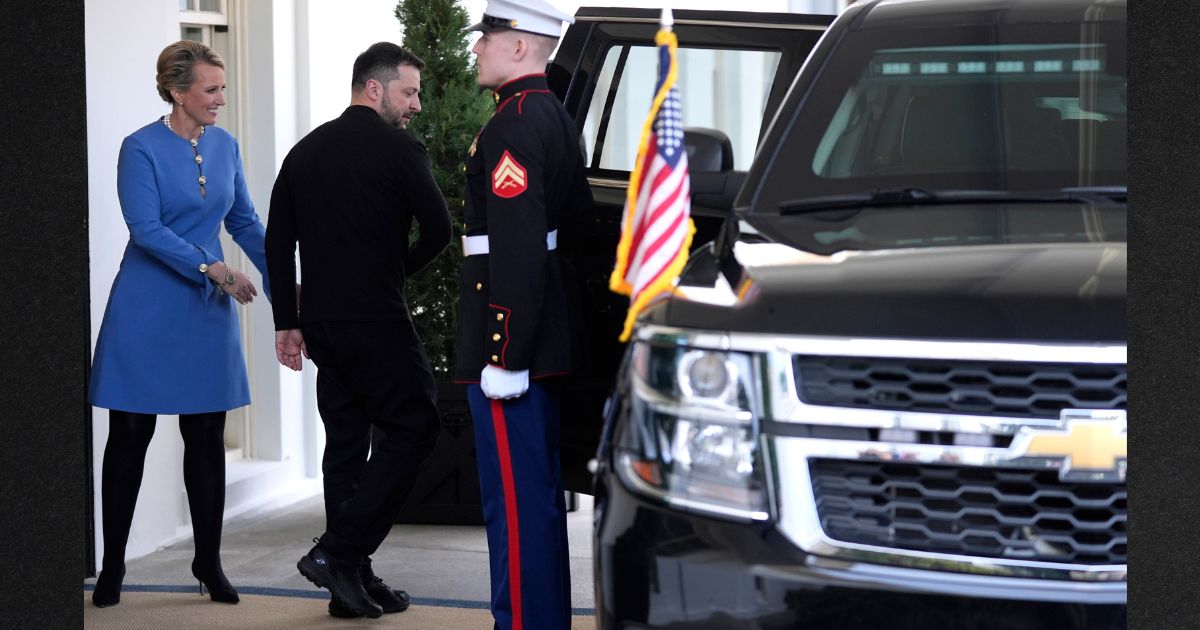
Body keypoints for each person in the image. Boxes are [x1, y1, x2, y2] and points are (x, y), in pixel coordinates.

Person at [264, 42, 452, 619]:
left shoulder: (304, 152)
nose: (416, 104)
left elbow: (277, 242)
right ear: (374, 89)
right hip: (377, 318)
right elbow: (440, 230)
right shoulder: (400, 150)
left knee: (346, 443)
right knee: (417, 427)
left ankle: (350, 576)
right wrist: (395, 276)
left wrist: (288, 322)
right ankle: (338, 553)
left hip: (321, 324)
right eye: (409, 91)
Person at [88, 40, 271, 608]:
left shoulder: (226, 146)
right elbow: (145, 228)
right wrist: (215, 269)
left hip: (203, 313)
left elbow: (242, 220)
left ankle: (208, 561)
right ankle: (113, 564)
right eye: (211, 89)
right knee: (130, 438)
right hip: (147, 307)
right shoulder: (138, 148)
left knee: (206, 439)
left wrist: (289, 285)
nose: (221, 98)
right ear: (177, 90)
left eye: (222, 88)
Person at [455, 1, 592, 628]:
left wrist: (503, 352)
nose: (477, 48)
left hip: (513, 346)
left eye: (487, 37)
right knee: (532, 500)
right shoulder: (553, 115)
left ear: (519, 46)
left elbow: (515, 246)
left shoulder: (514, 123)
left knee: (513, 504)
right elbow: (574, 232)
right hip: (546, 335)